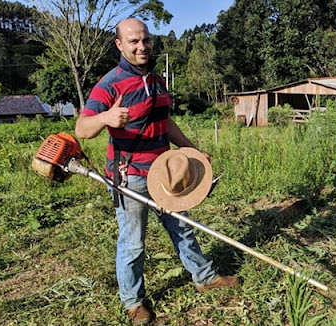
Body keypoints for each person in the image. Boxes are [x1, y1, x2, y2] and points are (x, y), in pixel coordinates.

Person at [75, 18, 238, 325]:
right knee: (133, 241)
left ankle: (204, 277)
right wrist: (106, 117)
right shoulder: (109, 84)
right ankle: (134, 302)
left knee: (182, 227)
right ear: (120, 45)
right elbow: (82, 128)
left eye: (145, 40)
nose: (141, 46)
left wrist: (190, 149)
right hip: (130, 175)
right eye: (133, 41)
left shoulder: (158, 81)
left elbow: (166, 123)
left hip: (164, 172)